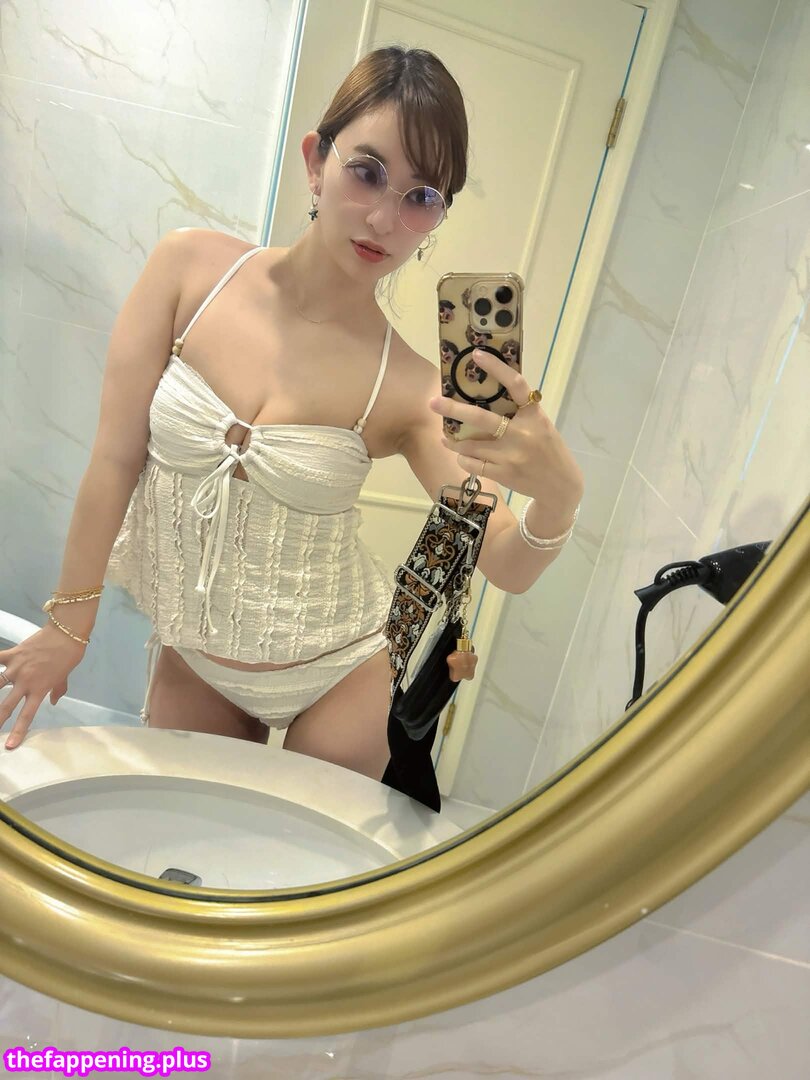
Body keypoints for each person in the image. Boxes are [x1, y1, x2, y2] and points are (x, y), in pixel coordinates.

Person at [0, 46, 584, 781]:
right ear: (316, 161)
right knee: (182, 835)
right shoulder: (189, 272)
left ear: (436, 216)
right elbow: (115, 457)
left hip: (343, 672)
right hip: (195, 657)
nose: (384, 217)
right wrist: (69, 625)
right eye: (366, 172)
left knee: (299, 851)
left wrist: (560, 498)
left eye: (420, 196)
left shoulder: (410, 386)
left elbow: (502, 558)